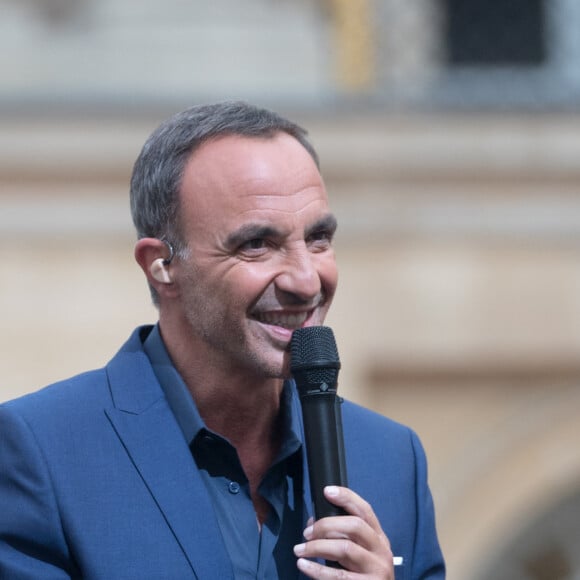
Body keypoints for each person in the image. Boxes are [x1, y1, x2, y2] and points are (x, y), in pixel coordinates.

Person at [0, 101, 445, 579]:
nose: (306, 280)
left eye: (318, 239)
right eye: (257, 244)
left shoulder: (391, 458)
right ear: (162, 264)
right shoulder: (41, 452)